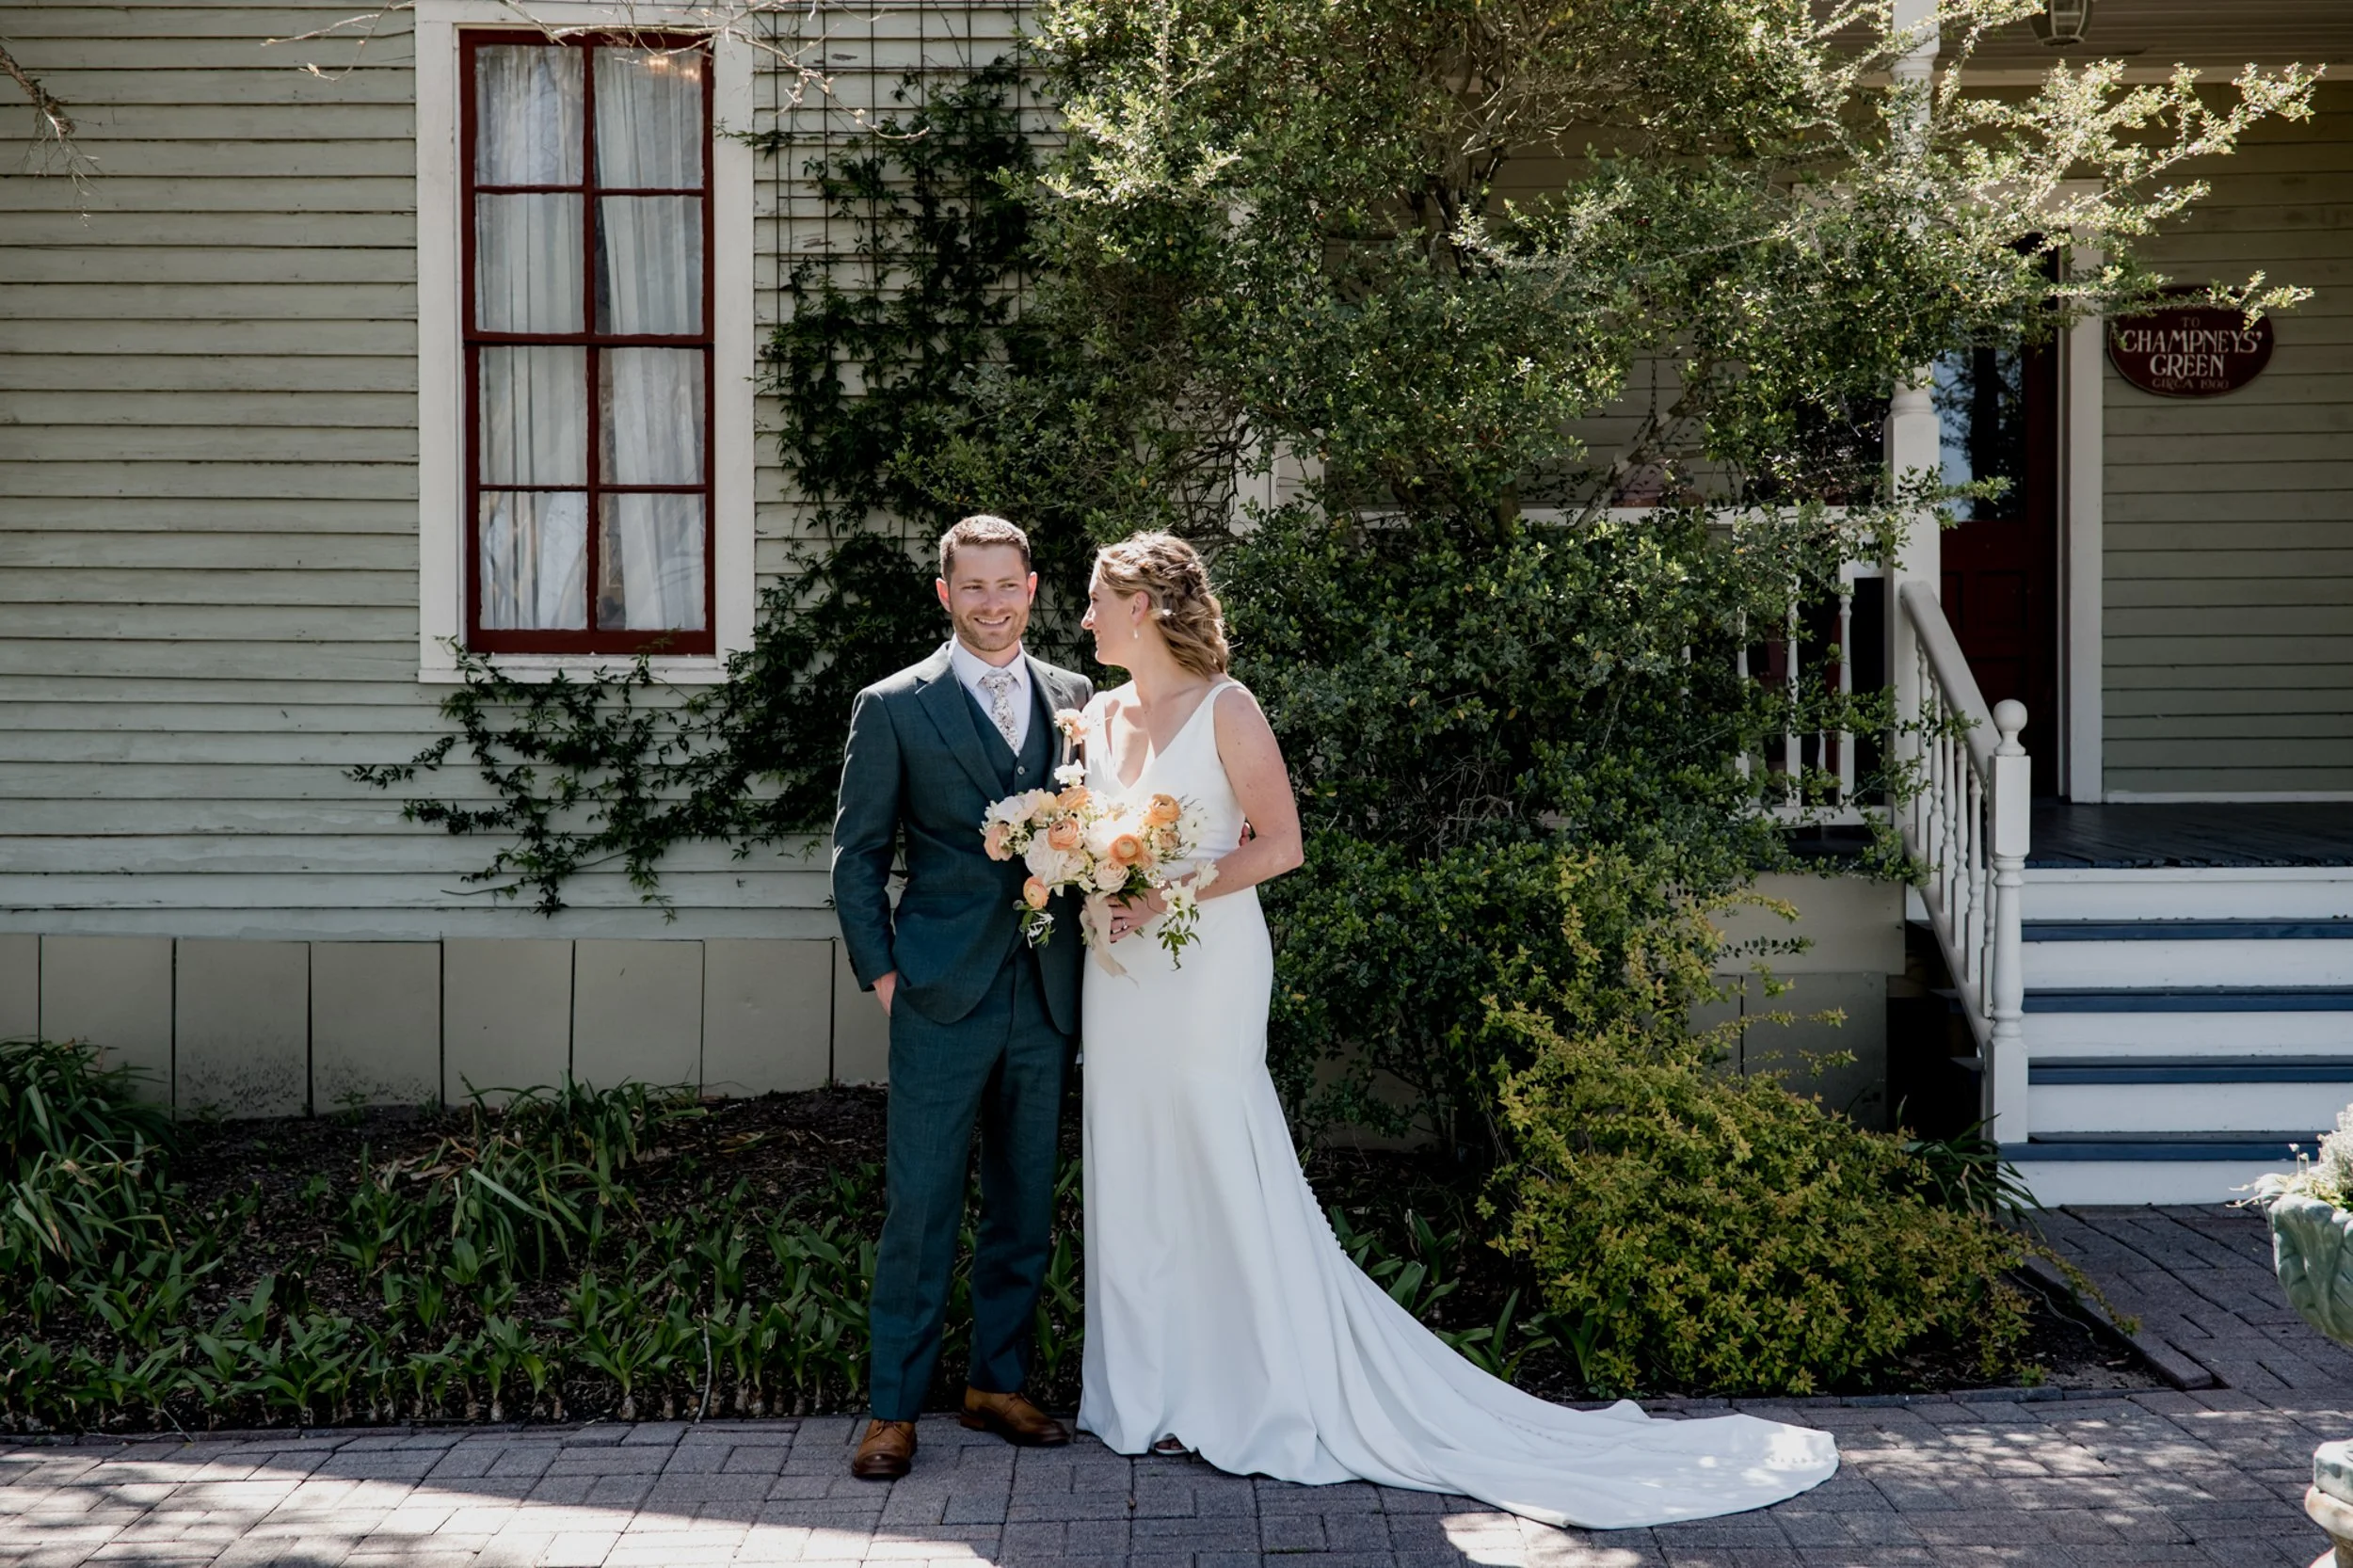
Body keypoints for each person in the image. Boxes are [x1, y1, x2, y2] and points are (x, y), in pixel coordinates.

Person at [1071, 531, 1841, 1530]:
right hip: (1118, 972)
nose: (1085, 619)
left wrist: (1164, 891)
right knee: (1130, 1158)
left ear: (1141, 606)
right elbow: (1090, 835)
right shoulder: (1095, 715)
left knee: (1216, 1155)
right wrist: (1085, 876)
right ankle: (1145, 1393)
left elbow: (1282, 845)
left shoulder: (1228, 707)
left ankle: (1247, 1388)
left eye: (1097, 601)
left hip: (1204, 966)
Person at [831, 515, 1094, 1480]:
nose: (991, 603)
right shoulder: (893, 706)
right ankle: (892, 1410)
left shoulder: (1076, 699)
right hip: (939, 990)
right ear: (946, 594)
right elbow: (857, 855)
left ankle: (996, 1384)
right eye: (972, 587)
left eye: (1006, 585)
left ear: (1032, 588)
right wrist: (885, 976)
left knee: (1025, 1200)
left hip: (1048, 989)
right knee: (922, 1206)